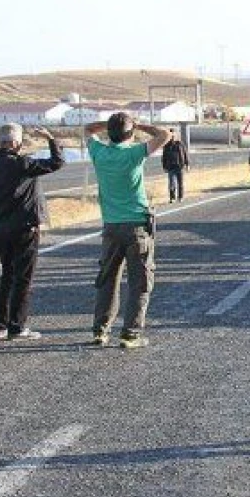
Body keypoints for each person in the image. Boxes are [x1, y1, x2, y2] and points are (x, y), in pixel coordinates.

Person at [83, 113, 171, 348]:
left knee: (107, 281)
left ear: (109, 132)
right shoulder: (133, 154)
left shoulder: (99, 153)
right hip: (137, 226)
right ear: (130, 134)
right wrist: (139, 125)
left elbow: (87, 130)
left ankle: (100, 331)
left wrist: (111, 125)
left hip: (110, 226)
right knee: (140, 282)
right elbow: (165, 135)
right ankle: (131, 333)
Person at [0, 124, 65, 339]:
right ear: (16, 143)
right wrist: (51, 139)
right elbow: (57, 163)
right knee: (23, 278)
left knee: (7, 275)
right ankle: (17, 326)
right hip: (25, 229)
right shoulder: (23, 164)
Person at [161, 130, 189, 203]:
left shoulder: (180, 144)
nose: (172, 137)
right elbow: (164, 157)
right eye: (171, 136)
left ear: (175, 135)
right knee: (172, 183)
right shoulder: (166, 146)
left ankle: (180, 197)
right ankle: (172, 198)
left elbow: (185, 154)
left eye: (173, 135)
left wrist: (187, 164)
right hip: (171, 167)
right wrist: (164, 167)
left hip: (180, 166)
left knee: (180, 183)